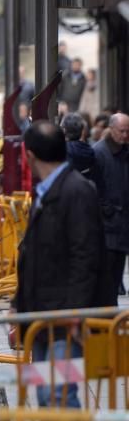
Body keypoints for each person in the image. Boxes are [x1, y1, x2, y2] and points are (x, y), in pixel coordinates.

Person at [18, 120, 105, 409]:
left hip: (64, 316)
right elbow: (33, 253)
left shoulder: (77, 191)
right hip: (42, 314)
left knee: (59, 396)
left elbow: (86, 256)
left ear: (29, 156)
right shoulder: (46, 191)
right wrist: (19, 305)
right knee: (46, 396)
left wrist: (75, 312)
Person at [91, 112, 129, 305]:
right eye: (122, 131)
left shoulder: (125, 151)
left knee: (116, 276)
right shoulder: (99, 152)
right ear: (112, 129)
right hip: (107, 225)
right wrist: (106, 209)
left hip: (121, 226)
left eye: (128, 132)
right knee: (107, 279)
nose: (125, 135)